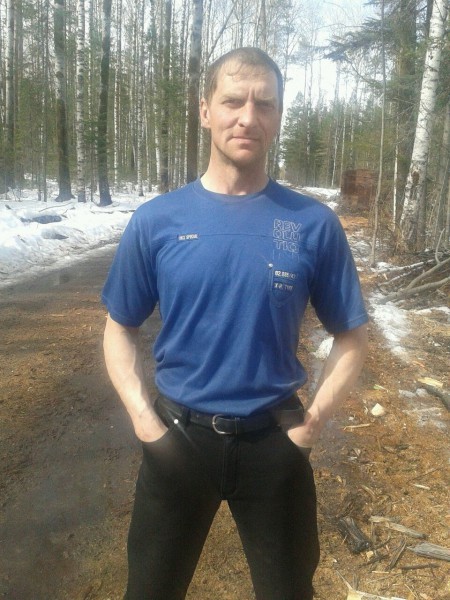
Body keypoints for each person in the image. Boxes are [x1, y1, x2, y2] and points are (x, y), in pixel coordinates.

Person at [102, 46, 369, 600]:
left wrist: (311, 425)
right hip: (177, 442)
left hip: (275, 445)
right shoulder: (157, 220)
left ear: (278, 117)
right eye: (232, 101)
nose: (248, 116)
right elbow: (119, 327)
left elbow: (351, 337)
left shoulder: (310, 223)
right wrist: (145, 424)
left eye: (263, 104)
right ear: (205, 111)